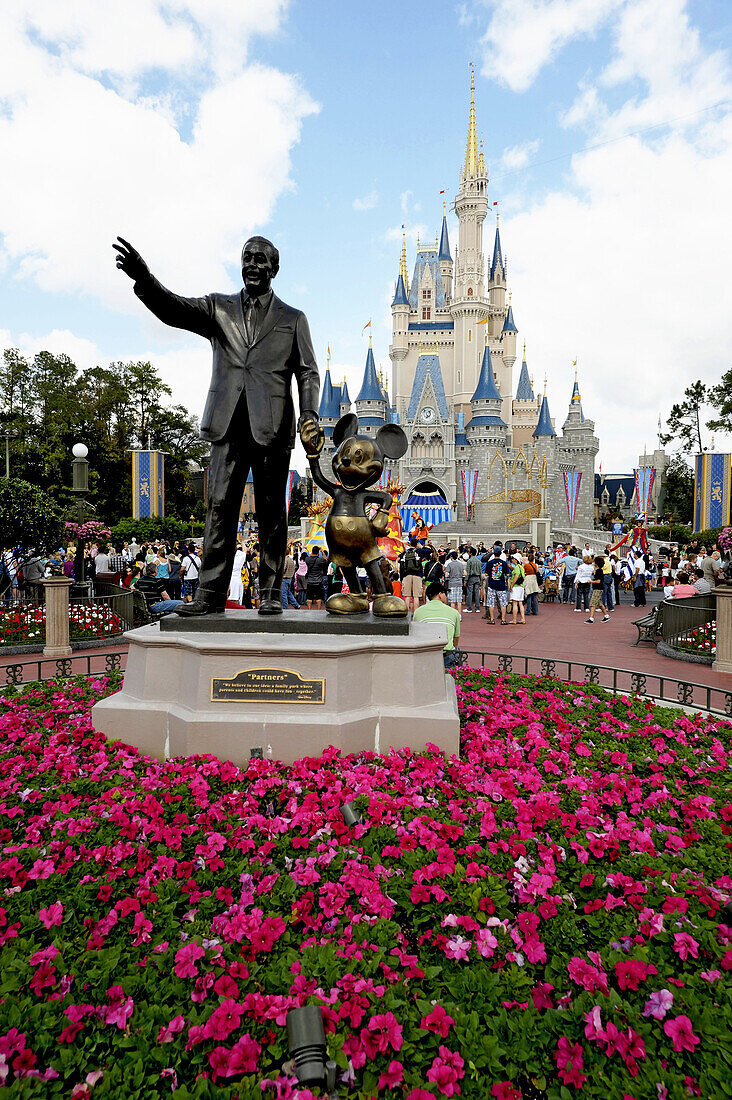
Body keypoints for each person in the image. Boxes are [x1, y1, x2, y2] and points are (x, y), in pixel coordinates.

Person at [114, 234, 320, 616]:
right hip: (227, 424)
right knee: (219, 507)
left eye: (261, 259)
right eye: (247, 258)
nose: (253, 264)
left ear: (274, 269)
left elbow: (308, 371)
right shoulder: (217, 308)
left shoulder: (293, 319)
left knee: (274, 511)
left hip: (273, 426)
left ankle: (272, 592)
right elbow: (173, 309)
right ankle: (208, 595)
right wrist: (144, 278)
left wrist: (309, 413)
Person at [412, 582, 462, 668]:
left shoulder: (418, 612)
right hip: (446, 654)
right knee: (456, 650)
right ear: (440, 594)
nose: (446, 597)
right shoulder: (454, 612)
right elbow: (456, 638)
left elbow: (415, 635)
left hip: (425, 654)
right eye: (445, 594)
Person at [484, 546, 512, 625]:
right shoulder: (503, 563)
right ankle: (503, 619)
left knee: (491, 602)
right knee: (503, 603)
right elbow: (507, 573)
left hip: (492, 584)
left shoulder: (490, 563)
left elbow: (486, 573)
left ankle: (492, 619)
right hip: (501, 585)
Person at [586, 555, 610, 623]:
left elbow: (598, 581)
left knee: (593, 603)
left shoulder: (599, 571)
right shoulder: (597, 570)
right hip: (597, 588)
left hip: (598, 588)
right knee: (600, 603)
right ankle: (606, 616)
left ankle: (591, 618)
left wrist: (590, 581)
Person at [400, 545, 424, 613]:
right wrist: (421, 547)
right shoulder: (418, 551)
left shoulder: (404, 553)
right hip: (417, 575)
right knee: (416, 596)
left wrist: (401, 578)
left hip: (406, 575)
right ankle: (415, 613)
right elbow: (429, 551)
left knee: (407, 596)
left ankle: (407, 613)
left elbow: (401, 566)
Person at [508, 554, 526, 625]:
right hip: (521, 586)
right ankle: (523, 618)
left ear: (516, 560)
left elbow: (516, 575)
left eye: (513, 558)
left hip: (516, 586)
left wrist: (511, 585)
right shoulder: (521, 567)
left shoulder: (516, 567)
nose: (512, 560)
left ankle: (514, 619)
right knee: (520, 603)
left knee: (515, 603)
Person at [464, 548, 482, 613]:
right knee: (477, 593)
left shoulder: (469, 561)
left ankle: (469, 608)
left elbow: (467, 572)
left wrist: (465, 580)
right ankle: (477, 608)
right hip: (477, 577)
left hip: (471, 578)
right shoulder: (478, 561)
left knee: (469, 593)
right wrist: (480, 580)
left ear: (470, 553)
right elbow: (480, 571)